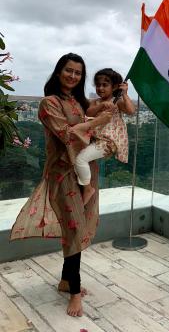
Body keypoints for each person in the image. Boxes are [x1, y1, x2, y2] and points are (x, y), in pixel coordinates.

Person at [10, 53, 113, 317]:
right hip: (63, 173)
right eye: (69, 70)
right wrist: (97, 123)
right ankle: (75, 293)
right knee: (75, 227)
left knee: (76, 225)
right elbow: (67, 134)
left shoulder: (77, 101)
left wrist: (113, 101)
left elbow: (92, 115)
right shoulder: (49, 103)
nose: (73, 76)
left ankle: (66, 281)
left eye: (78, 73)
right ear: (59, 72)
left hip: (85, 171)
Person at [75, 68, 136, 205]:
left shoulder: (117, 101)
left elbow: (131, 111)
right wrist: (102, 105)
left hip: (108, 141)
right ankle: (86, 184)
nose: (100, 88)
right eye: (98, 85)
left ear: (114, 87)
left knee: (80, 159)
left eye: (105, 85)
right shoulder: (96, 102)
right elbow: (89, 112)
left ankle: (87, 188)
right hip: (97, 139)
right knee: (79, 159)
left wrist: (125, 94)